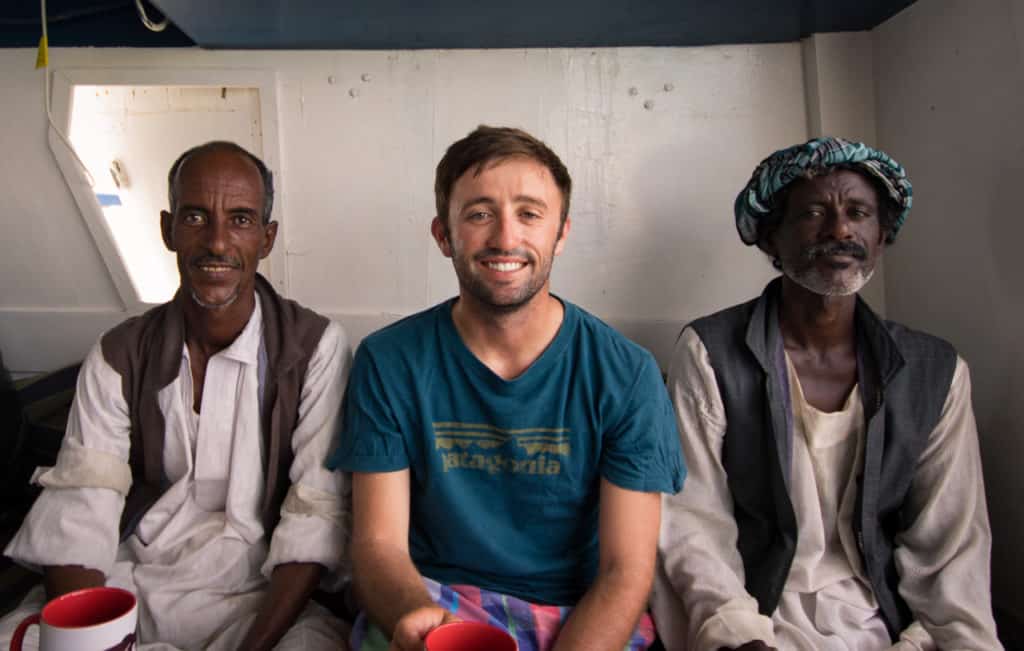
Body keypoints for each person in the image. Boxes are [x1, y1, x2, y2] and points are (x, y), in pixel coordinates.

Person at [330, 125, 685, 651]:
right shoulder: (390, 361)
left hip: (580, 614)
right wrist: (416, 619)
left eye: (529, 213)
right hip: (436, 602)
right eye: (478, 213)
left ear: (560, 233)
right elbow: (378, 546)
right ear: (443, 234)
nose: (505, 237)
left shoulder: (626, 374)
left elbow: (624, 572)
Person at [652, 137, 1002, 650]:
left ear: (882, 235)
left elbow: (951, 544)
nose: (840, 229)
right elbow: (692, 524)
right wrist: (740, 636)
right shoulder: (711, 352)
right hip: (754, 617)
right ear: (772, 239)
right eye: (814, 212)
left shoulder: (936, 372)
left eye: (858, 212)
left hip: (885, 617)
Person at [0, 141, 352, 650]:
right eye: (194, 217)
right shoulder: (119, 354)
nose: (217, 242)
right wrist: (88, 638)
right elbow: (82, 506)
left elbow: (316, 514)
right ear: (167, 230)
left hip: (261, 589)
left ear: (267, 238)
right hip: (130, 576)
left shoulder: (316, 348)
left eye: (240, 220)